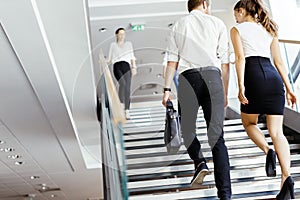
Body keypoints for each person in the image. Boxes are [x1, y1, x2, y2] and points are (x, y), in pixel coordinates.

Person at [162, 0, 231, 199]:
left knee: (187, 129)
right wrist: (224, 92)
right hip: (213, 78)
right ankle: (225, 195)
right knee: (217, 139)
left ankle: (199, 161)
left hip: (188, 79)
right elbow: (225, 64)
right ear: (204, 3)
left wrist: (166, 89)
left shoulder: (179, 24)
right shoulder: (217, 24)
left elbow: (172, 61)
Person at [230, 0, 297, 199]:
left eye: (236, 14)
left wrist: (241, 85)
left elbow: (240, 58)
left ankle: (268, 150)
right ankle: (287, 178)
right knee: (277, 132)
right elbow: (279, 62)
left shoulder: (237, 29)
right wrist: (288, 88)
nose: (236, 18)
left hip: (253, 78)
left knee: (249, 123)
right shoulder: (268, 29)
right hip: (273, 79)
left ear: (241, 11)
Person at [107, 28, 137, 120]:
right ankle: (121, 104)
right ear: (116, 35)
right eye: (120, 34)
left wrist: (134, 67)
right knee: (122, 84)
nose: (122, 36)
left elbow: (132, 56)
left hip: (126, 65)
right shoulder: (113, 45)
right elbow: (109, 58)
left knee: (127, 88)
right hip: (117, 66)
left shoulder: (128, 44)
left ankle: (127, 110)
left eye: (123, 34)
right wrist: (103, 62)